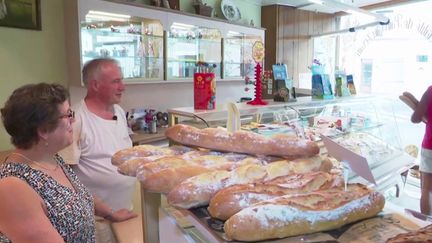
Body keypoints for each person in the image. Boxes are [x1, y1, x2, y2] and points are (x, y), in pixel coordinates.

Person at [0, 83, 136, 243]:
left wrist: (110, 214)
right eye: (68, 115)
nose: (74, 119)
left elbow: (75, 195)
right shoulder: (12, 187)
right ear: (43, 130)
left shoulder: (51, 158)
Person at [59, 58, 137, 242]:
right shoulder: (76, 119)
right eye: (115, 81)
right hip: (96, 221)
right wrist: (108, 213)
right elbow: (65, 179)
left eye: (121, 80)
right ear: (95, 85)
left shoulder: (118, 111)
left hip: (125, 211)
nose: (123, 87)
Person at [406, 88, 432, 215]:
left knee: (426, 188)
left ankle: (426, 227)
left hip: (430, 146)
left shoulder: (430, 91)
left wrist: (417, 106)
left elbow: (415, 118)